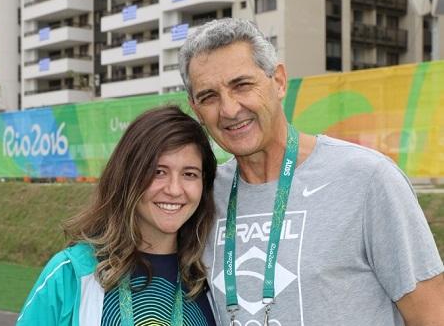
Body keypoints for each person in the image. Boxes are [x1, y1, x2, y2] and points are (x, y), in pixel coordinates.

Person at [179, 18, 444, 326]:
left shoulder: (367, 179)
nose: (228, 109)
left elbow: (432, 315)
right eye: (209, 96)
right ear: (196, 110)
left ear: (278, 82)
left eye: (242, 85)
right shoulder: (203, 195)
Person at [16, 106, 218, 326]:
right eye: (158, 172)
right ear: (128, 175)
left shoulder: (211, 278)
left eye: (190, 174)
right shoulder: (70, 274)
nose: (174, 189)